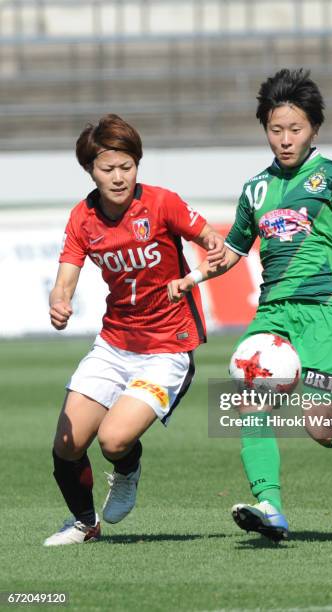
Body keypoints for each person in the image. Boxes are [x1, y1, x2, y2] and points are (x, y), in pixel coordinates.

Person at [168, 69, 332, 542]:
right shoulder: (255, 188)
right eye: (275, 130)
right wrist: (194, 276)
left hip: (329, 310)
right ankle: (269, 504)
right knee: (247, 396)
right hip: (275, 312)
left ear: (314, 128)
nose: (284, 139)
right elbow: (233, 251)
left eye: (294, 129)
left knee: (319, 425)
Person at [45, 114, 225, 546]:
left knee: (112, 440)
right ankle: (85, 524)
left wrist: (210, 249)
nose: (119, 177)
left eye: (127, 166)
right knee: (67, 445)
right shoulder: (82, 219)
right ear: (91, 170)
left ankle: (126, 470)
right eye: (108, 169)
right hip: (114, 343)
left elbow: (213, 241)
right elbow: (65, 277)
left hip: (168, 345)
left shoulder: (163, 203)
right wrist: (59, 301)